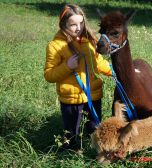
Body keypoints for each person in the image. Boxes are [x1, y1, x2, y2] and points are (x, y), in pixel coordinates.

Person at [44, 4, 111, 150]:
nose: (78, 27)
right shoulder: (55, 46)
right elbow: (49, 75)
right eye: (72, 24)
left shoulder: (89, 41)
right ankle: (67, 157)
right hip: (71, 100)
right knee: (71, 136)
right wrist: (67, 66)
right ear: (63, 25)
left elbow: (98, 63)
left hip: (93, 96)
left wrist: (114, 72)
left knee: (95, 131)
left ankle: (93, 156)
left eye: (81, 23)